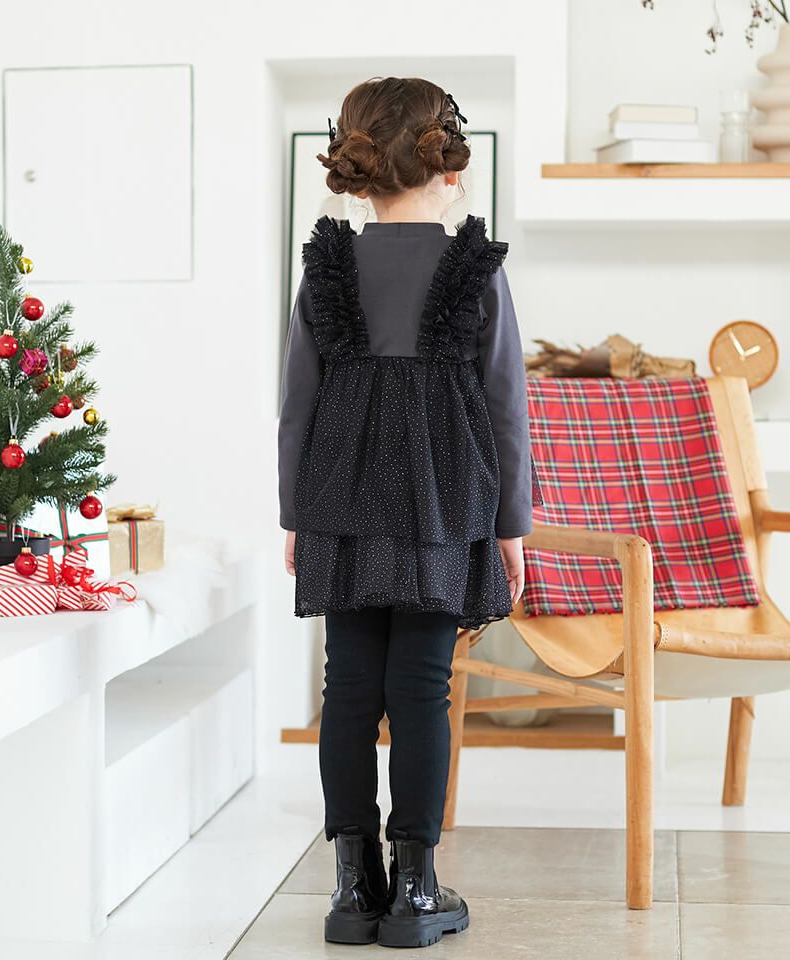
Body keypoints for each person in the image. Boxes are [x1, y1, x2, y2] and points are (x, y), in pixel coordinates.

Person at [277, 76, 540, 949]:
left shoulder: (326, 266)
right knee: (423, 688)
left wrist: (295, 512)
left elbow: (297, 404)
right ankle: (416, 891)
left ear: (356, 165)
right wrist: (511, 525)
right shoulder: (475, 267)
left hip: (339, 500)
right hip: (443, 500)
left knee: (348, 685)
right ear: (449, 164)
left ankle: (354, 890)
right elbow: (505, 406)